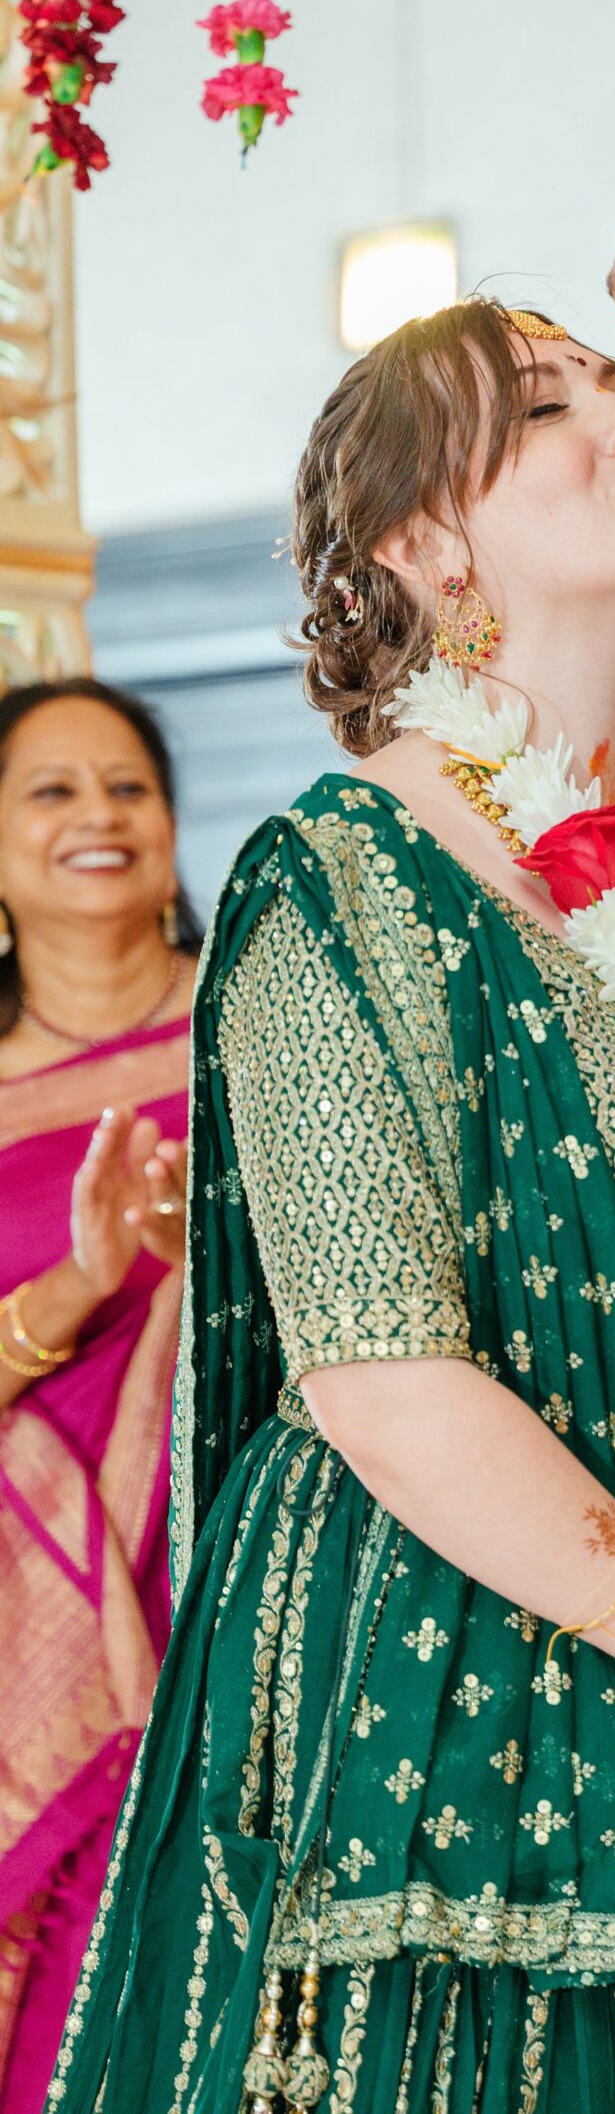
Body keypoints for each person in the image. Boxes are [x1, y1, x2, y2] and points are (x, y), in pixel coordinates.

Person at [49, 301, 615, 2114]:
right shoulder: (336, 880)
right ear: (421, 541)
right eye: (549, 409)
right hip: (449, 1644)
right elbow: (382, 1377)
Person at [0, 681, 195, 2111]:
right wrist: (84, 1281)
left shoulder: (259, 1026)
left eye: (125, 785)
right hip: (32, 1627)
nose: (98, 817)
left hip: (243, 1555)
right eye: (51, 790)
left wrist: (214, 1271)